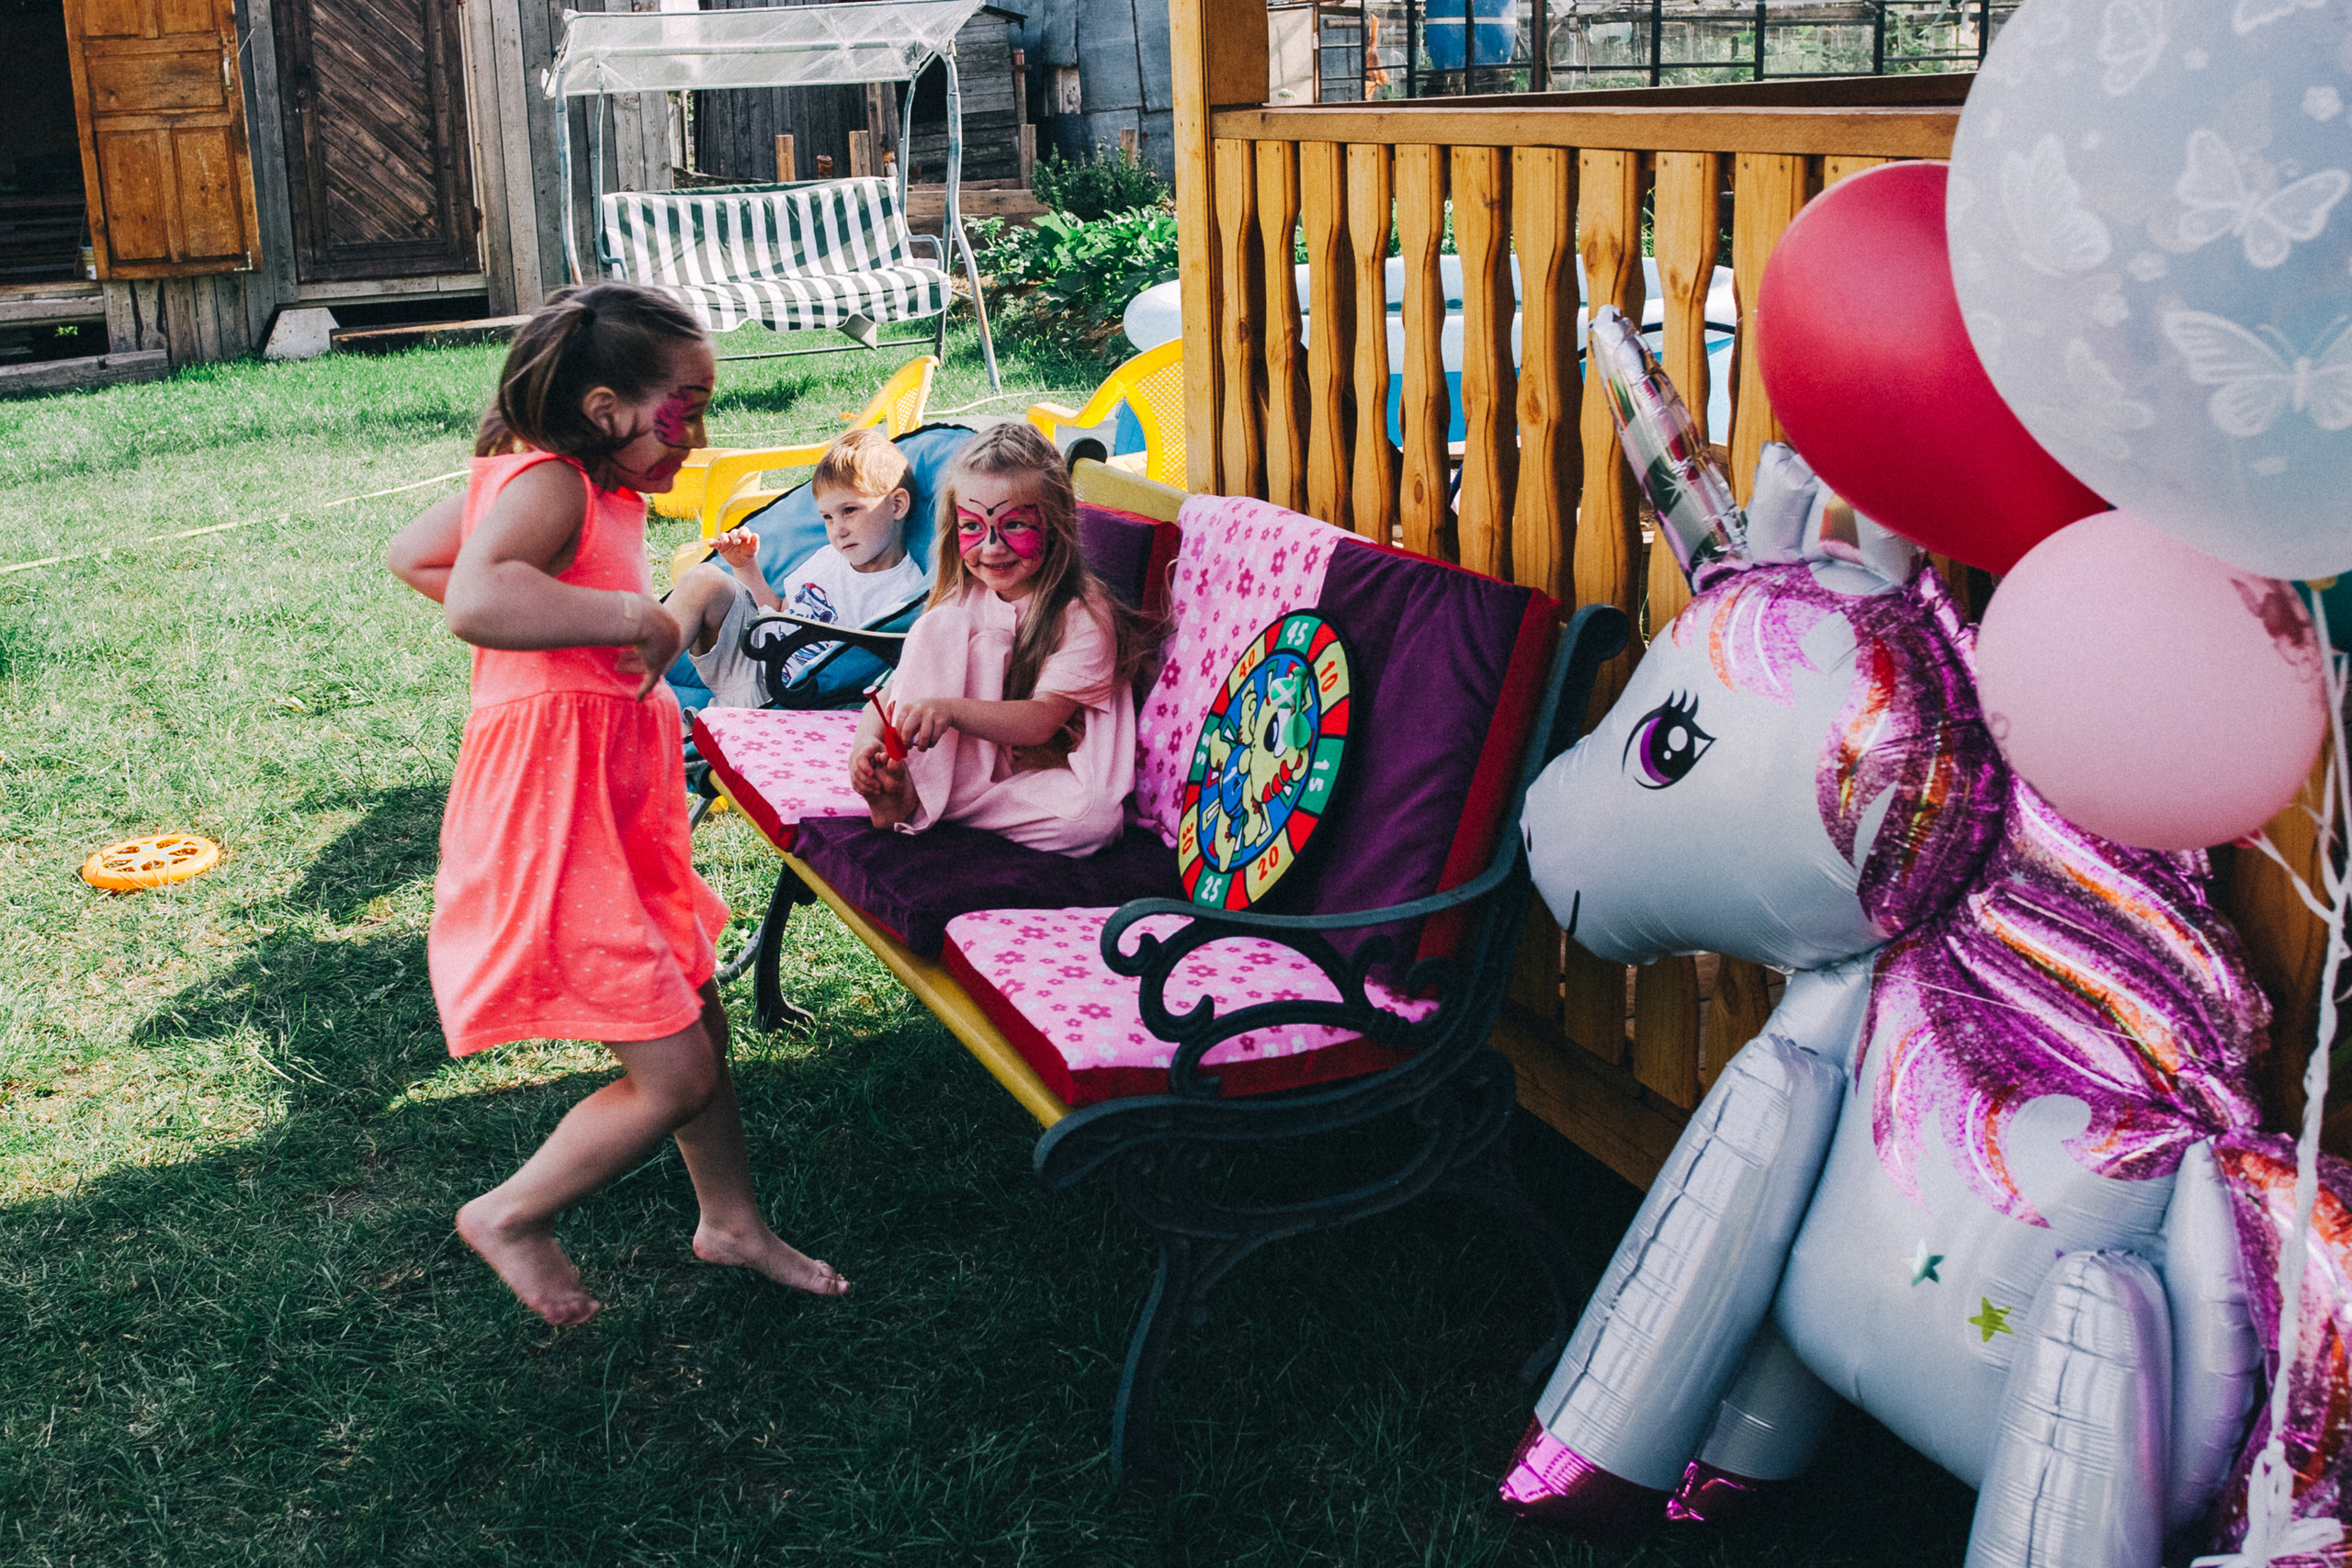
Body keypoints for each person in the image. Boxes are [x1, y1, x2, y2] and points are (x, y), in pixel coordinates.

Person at [384, 281, 848, 1326]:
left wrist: (578, 635)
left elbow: (418, 553)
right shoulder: (550, 484)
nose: (700, 430)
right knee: (675, 1072)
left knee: (694, 1007)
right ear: (605, 410)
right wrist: (621, 615)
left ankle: (729, 1222)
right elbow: (469, 594)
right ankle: (510, 1214)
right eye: (686, 406)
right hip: (560, 811)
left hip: (604, 795)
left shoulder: (566, 483)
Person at [849, 423, 1150, 857]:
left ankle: (934, 803)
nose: (991, 547)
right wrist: (866, 750)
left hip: (1036, 769)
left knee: (1093, 818)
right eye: (972, 525)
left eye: (1013, 524)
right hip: (964, 763)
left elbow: (1042, 720)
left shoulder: (1083, 612)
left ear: (1055, 525)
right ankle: (910, 786)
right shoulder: (962, 597)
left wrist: (949, 711)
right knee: (940, 625)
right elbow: (893, 693)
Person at [667, 427, 928, 709]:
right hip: (751, 658)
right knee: (702, 579)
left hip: (783, 696)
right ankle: (626, 686)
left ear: (898, 505)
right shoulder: (828, 558)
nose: (838, 530)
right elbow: (781, 611)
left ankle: (688, 723)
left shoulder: (903, 596)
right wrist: (745, 566)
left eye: (849, 510)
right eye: (827, 517)